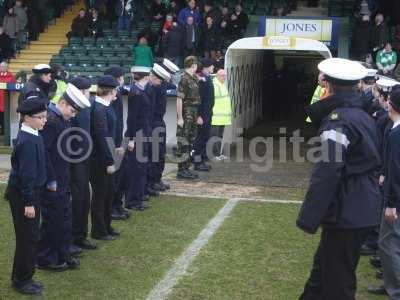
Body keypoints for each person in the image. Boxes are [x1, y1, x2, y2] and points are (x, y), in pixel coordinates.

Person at [297, 58, 381, 300]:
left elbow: (328, 171)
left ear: (329, 86)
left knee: (337, 284)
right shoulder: (361, 116)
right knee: (322, 274)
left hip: (347, 211)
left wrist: (309, 217)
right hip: (358, 207)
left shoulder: (338, 121)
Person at [37, 84, 91, 271]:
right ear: (61, 103)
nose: (73, 114)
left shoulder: (61, 120)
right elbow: (43, 153)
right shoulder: (51, 121)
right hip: (53, 181)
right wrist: (51, 180)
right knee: (53, 220)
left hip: (62, 177)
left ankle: (62, 253)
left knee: (64, 219)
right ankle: (46, 258)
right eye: (71, 109)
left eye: (75, 111)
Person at [5, 97, 47, 295]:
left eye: (45, 117)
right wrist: (29, 202)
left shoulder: (34, 134)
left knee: (31, 236)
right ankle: (21, 280)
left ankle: (26, 275)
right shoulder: (28, 140)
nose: (44, 120)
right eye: (40, 117)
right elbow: (26, 176)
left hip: (30, 193)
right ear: (27, 118)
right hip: (24, 196)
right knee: (26, 237)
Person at [68, 77, 98, 250]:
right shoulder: (74, 109)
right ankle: (73, 237)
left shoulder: (86, 107)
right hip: (75, 160)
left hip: (85, 159)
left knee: (85, 198)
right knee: (76, 199)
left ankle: (80, 235)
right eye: (87, 91)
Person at [90, 75, 120, 240]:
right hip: (100, 159)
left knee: (109, 193)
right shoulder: (99, 109)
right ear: (112, 90)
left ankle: (106, 226)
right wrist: (109, 160)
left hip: (108, 155)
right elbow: (102, 137)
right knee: (100, 195)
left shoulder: (106, 106)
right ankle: (98, 230)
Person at [103, 66, 131, 221]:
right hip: (113, 141)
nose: (122, 79)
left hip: (118, 139)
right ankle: (113, 207)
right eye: (120, 77)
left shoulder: (117, 94)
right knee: (115, 176)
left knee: (121, 175)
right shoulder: (112, 96)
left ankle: (117, 204)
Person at [125, 66, 152, 211]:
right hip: (138, 135)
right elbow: (132, 118)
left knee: (141, 168)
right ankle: (132, 200)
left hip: (143, 133)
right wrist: (131, 138)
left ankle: (137, 198)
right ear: (146, 77)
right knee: (136, 169)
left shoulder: (139, 91)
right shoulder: (136, 93)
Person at [149, 58, 178, 192]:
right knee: (155, 153)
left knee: (160, 153)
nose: (170, 76)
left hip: (159, 121)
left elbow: (173, 87)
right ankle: (153, 180)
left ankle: (157, 179)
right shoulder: (154, 87)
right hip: (154, 121)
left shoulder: (161, 85)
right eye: (168, 73)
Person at [176, 56, 200, 179]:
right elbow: (179, 99)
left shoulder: (194, 78)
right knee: (183, 141)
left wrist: (198, 116)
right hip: (186, 113)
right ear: (193, 65)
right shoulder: (184, 79)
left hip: (193, 113)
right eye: (196, 65)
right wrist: (180, 117)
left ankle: (186, 167)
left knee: (190, 141)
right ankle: (181, 169)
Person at [193, 58, 214, 171]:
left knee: (205, 137)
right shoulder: (202, 79)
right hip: (203, 114)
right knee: (200, 139)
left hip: (208, 112)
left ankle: (201, 160)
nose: (213, 67)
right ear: (207, 66)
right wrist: (199, 115)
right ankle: (197, 162)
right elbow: (199, 99)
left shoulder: (207, 78)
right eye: (211, 65)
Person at [210, 69, 231, 159]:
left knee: (219, 136)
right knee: (214, 137)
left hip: (222, 117)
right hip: (215, 117)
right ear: (217, 76)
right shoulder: (215, 85)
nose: (224, 77)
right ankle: (213, 154)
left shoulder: (222, 85)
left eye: (225, 75)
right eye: (222, 75)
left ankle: (218, 154)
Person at [0, 61, 15, 134]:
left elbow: (13, 88)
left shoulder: (10, 76)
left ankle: (4, 133)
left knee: (4, 119)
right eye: (1, 67)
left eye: (3, 66)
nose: (2, 68)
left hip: (5, 101)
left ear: (7, 68)